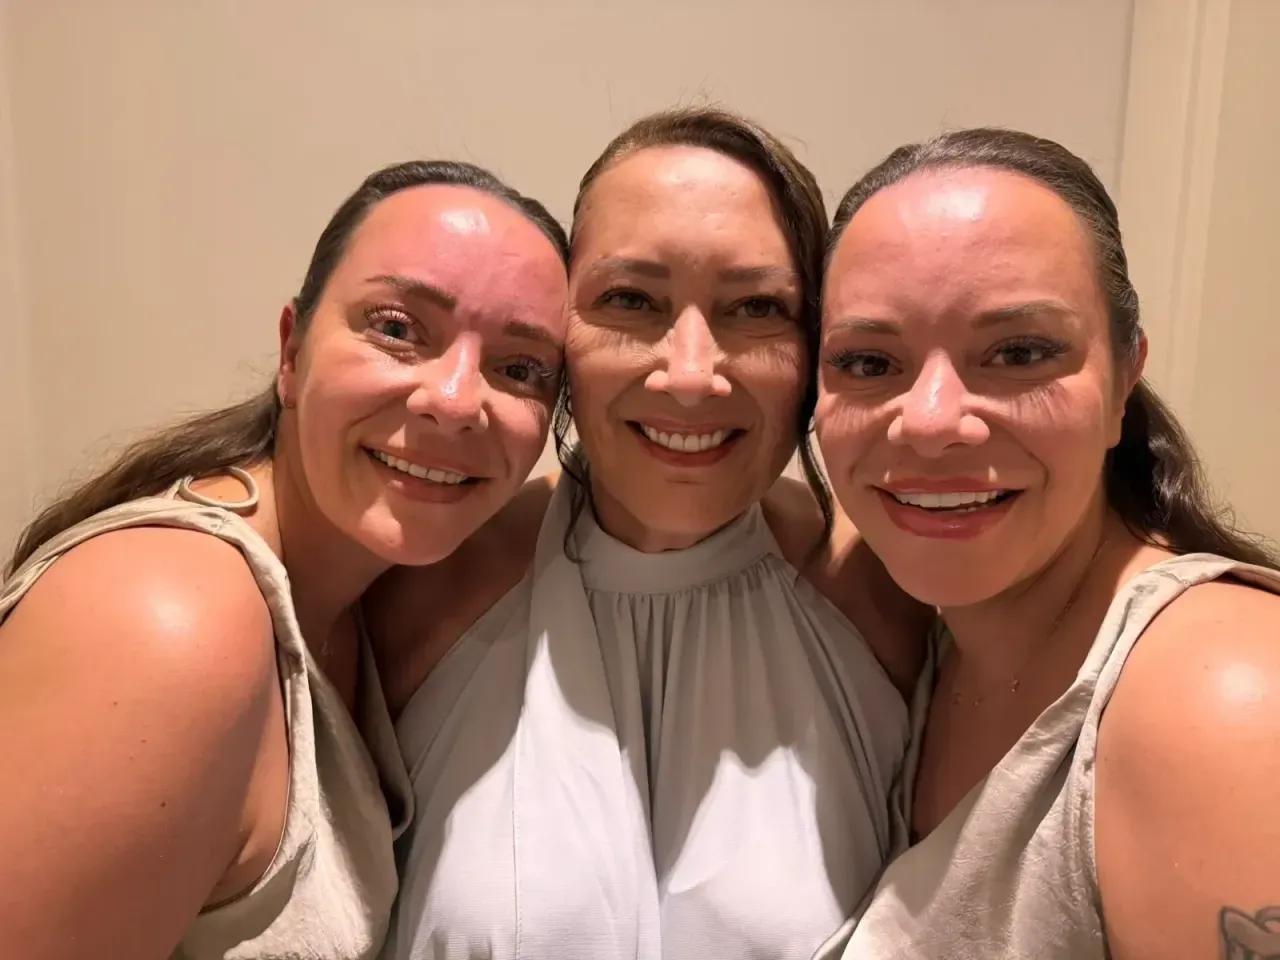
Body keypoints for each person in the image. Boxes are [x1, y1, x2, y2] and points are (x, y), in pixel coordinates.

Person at [367, 107, 932, 960]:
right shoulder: (422, 579)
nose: (692, 376)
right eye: (631, 300)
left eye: (755, 308)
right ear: (559, 333)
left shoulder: (889, 589)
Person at [0, 160, 570, 959]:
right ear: (292, 351)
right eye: (397, 329)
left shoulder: (349, 598)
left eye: (520, 368)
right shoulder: (172, 624)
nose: (454, 400)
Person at [815, 127, 1280, 959]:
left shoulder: (1222, 701)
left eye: (1019, 352)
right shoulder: (916, 637)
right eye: (868, 363)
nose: (930, 423)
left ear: (1124, 380)